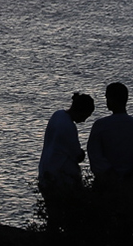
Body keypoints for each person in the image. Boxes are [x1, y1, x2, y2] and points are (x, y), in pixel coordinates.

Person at [85, 82, 133, 246]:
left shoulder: (100, 125)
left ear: (112, 100)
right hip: (131, 184)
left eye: (107, 97)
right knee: (127, 225)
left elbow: (94, 154)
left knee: (101, 223)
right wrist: (130, 177)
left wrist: (110, 174)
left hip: (105, 184)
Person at [37, 91, 94, 235]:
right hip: (59, 177)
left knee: (53, 215)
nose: (85, 120)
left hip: (46, 171)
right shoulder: (68, 127)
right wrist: (83, 153)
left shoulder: (58, 115)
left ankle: (51, 244)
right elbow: (76, 155)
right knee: (67, 216)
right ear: (81, 111)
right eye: (86, 116)